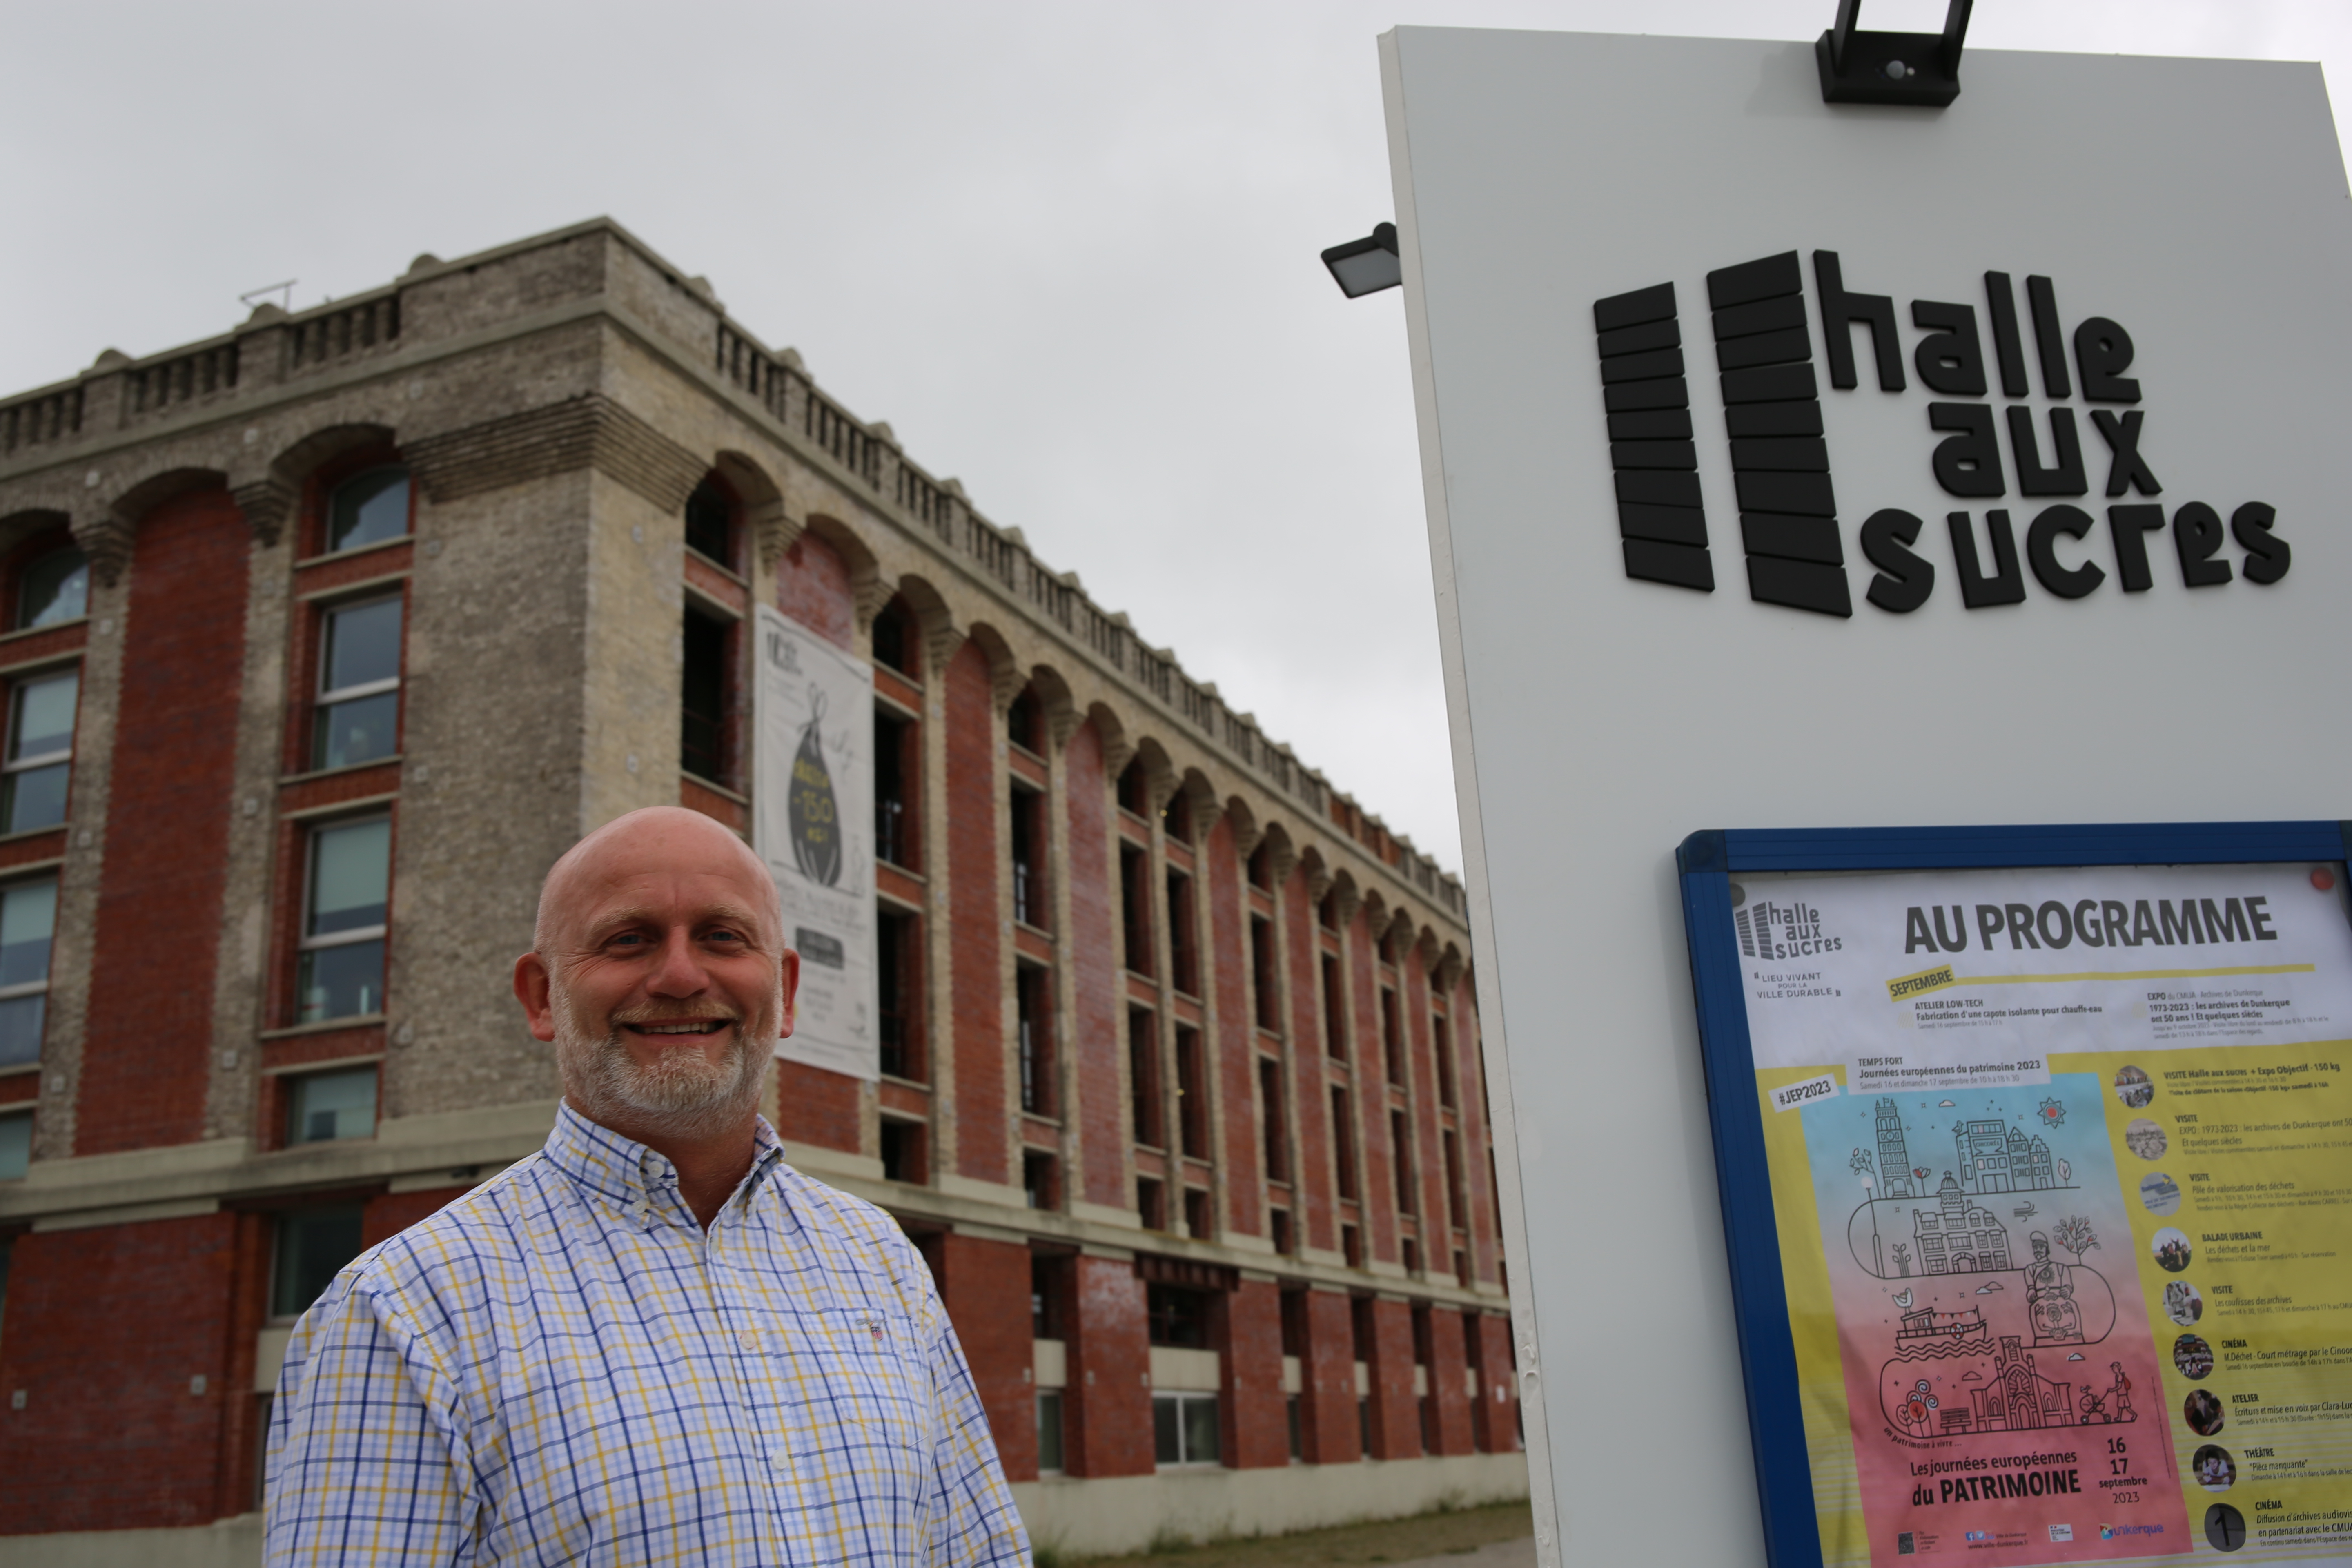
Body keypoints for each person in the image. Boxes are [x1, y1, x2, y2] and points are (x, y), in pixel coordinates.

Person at [265, 806, 1029, 1568]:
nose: (681, 976)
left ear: (786, 991)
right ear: (541, 996)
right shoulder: (404, 1310)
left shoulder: (877, 1259)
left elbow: (980, 1553)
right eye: (627, 940)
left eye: (722, 937)